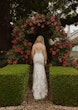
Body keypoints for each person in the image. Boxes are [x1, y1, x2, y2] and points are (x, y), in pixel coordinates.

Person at [31, 35, 48, 100]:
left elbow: (32, 53)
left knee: (36, 71)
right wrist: (45, 60)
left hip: (36, 58)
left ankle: (36, 89)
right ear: (41, 40)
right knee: (41, 71)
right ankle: (42, 89)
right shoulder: (43, 46)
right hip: (41, 57)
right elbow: (45, 54)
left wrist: (33, 59)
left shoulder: (34, 46)